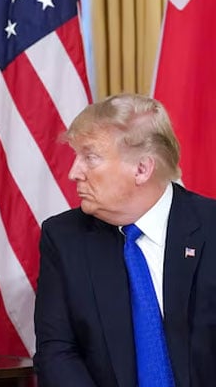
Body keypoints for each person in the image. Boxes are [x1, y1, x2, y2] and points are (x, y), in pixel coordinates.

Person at [34, 93, 216, 386]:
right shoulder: (65, 238)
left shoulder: (210, 228)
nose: (73, 172)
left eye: (90, 157)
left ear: (142, 169)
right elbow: (57, 351)